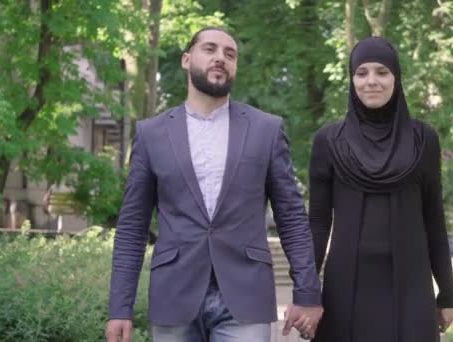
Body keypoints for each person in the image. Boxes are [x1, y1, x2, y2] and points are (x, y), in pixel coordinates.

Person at [106, 27, 323, 342]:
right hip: (174, 299)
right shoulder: (151, 135)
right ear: (186, 59)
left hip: (245, 299)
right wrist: (119, 308)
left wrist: (307, 292)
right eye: (210, 49)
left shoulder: (267, 130)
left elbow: (291, 217)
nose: (220, 58)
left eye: (230, 54)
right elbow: (131, 227)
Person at [308, 36, 453, 342]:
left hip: (411, 286)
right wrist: (305, 292)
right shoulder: (329, 141)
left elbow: (434, 219)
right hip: (346, 286)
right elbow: (318, 223)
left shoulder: (423, 139)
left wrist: (447, 294)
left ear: (396, 78)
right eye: (361, 73)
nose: (371, 81)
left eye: (382, 72)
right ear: (351, 80)